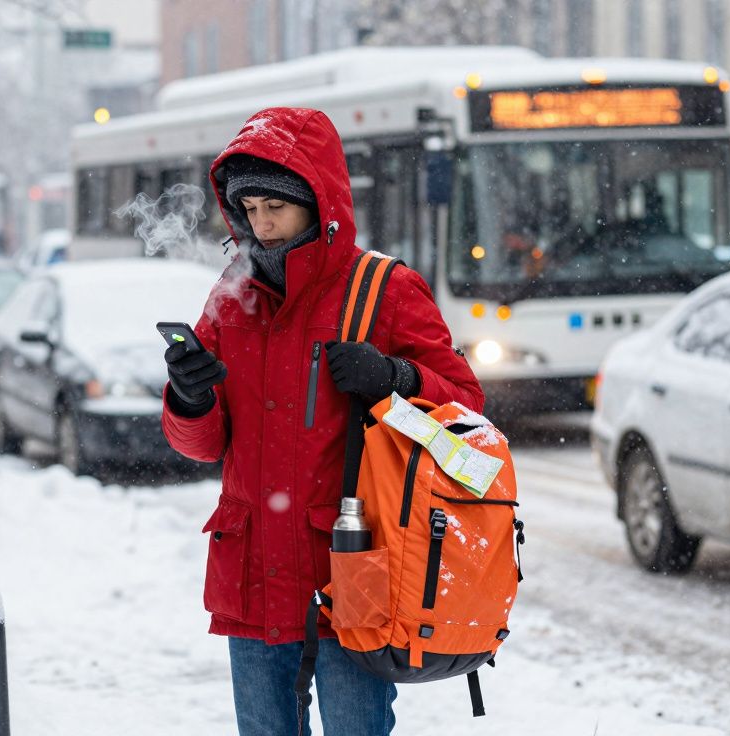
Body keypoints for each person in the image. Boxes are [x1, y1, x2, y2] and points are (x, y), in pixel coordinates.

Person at [160, 108, 485, 735]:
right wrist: (190, 398)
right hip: (252, 571)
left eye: (275, 205)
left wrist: (396, 378)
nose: (261, 223)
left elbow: (467, 412)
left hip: (352, 571)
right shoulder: (233, 295)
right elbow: (200, 447)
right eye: (248, 208)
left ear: (318, 198)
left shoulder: (385, 289)